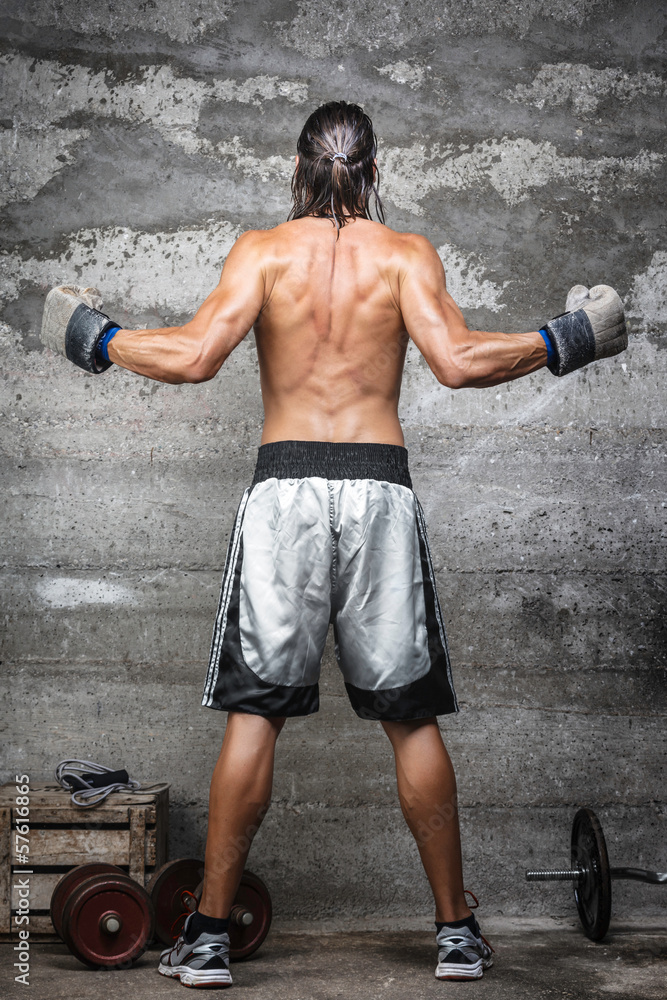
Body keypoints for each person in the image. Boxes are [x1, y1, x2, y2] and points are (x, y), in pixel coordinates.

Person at [40, 101, 627, 987]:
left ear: (300, 166)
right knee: (408, 717)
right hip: (378, 487)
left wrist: (98, 338)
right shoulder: (406, 255)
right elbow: (459, 361)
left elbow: (197, 354)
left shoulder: (260, 252)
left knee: (255, 714)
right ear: (373, 168)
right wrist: (567, 337)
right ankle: (457, 935)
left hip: (283, 494)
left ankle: (203, 941)